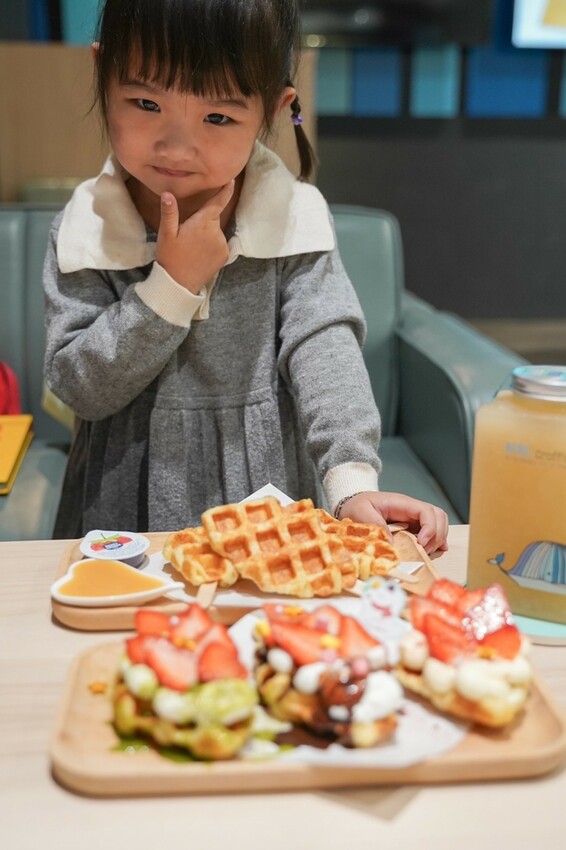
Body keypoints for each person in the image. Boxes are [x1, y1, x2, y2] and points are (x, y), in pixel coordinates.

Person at [43, 0, 448, 552]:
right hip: (121, 498)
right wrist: (170, 286)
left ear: (274, 108)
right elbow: (78, 388)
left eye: (217, 117)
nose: (177, 146)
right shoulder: (85, 227)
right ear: (101, 71)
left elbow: (322, 344)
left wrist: (351, 480)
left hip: (265, 491)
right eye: (145, 102)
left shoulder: (294, 216)